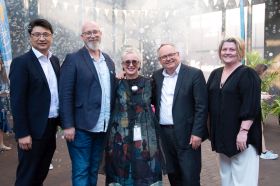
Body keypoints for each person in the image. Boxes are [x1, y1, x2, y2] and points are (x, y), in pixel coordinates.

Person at [59, 21, 116, 186]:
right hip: (81, 128)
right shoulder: (73, 59)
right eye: (88, 32)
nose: (92, 35)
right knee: (81, 170)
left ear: (101, 34)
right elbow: (65, 94)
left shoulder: (108, 61)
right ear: (82, 37)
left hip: (102, 127)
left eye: (95, 32)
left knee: (93, 169)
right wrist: (68, 125)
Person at [9, 18, 60, 186]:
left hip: (51, 127)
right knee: (27, 176)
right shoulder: (21, 63)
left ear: (52, 37)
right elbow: (17, 101)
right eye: (37, 34)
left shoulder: (54, 61)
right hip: (32, 131)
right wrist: (22, 133)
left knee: (41, 172)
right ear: (30, 37)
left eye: (46, 34)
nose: (42, 38)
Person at [207, 37, 262, 186]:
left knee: (244, 181)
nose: (227, 52)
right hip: (223, 139)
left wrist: (243, 131)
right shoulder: (215, 74)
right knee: (227, 180)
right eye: (224, 49)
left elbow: (251, 105)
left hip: (243, 139)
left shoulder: (248, 74)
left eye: (232, 49)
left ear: (239, 52)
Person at [152, 43, 208, 186]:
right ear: (160, 60)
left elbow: (201, 106)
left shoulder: (194, 74)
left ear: (178, 55)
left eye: (171, 55)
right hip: (165, 135)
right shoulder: (157, 77)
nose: (168, 58)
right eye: (164, 56)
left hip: (188, 134)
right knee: (173, 175)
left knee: (190, 176)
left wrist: (197, 133)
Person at [105, 48, 162, 185]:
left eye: (134, 62)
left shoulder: (150, 83)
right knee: (122, 170)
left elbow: (157, 104)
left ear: (139, 64)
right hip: (120, 136)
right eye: (127, 62)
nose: (131, 65)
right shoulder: (116, 83)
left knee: (144, 170)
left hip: (145, 138)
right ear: (123, 65)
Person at [254, 64, 278, 160]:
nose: (266, 74)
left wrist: (262, 94)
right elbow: (252, 96)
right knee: (260, 130)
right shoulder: (256, 80)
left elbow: (254, 93)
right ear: (261, 71)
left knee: (260, 130)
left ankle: (262, 150)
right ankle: (263, 152)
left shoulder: (254, 79)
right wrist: (263, 97)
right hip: (254, 110)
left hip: (254, 110)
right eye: (266, 72)